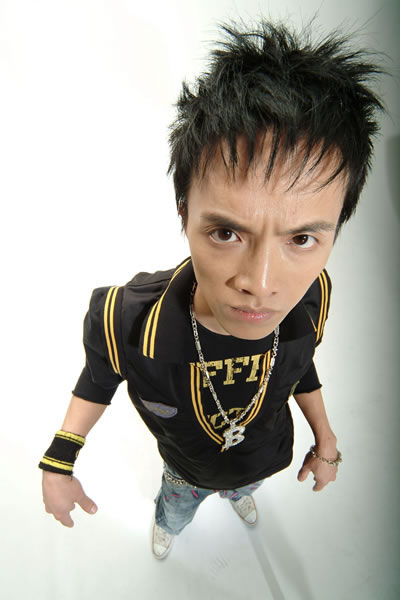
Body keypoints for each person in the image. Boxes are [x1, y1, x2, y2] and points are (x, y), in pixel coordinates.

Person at [39, 20, 383, 560]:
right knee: (176, 507)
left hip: (265, 459)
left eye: (302, 238)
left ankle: (239, 493)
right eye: (226, 233)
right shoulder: (125, 318)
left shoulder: (311, 297)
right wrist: (58, 464)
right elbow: (97, 381)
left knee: (246, 487)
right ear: (185, 213)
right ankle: (171, 520)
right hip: (185, 471)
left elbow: (300, 366)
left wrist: (326, 439)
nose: (261, 285)